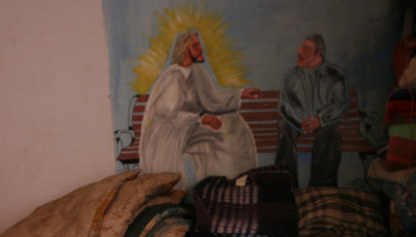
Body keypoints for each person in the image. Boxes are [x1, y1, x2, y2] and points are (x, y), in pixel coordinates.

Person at [139, 29, 260, 192]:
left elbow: (213, 99)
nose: (201, 49)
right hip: (168, 134)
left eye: (199, 45)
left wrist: (240, 93)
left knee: (233, 124)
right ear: (184, 50)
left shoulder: (197, 72)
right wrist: (201, 119)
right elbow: (169, 114)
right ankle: (215, 188)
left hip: (189, 127)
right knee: (216, 131)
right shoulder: (174, 76)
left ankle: (232, 184)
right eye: (196, 46)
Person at [275, 33, 349, 187]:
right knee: (284, 125)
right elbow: (284, 105)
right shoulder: (291, 77)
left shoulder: (335, 75)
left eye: (306, 49)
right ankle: (285, 185)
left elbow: (339, 103)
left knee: (332, 131)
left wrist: (320, 120)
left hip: (324, 122)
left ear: (318, 54)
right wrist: (300, 121)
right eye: (301, 48)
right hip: (298, 122)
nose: (299, 52)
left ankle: (322, 187)